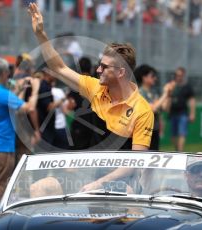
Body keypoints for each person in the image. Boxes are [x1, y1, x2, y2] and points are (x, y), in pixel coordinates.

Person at [28, 3, 153, 190]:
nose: (98, 70)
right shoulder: (95, 87)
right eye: (99, 65)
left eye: (104, 67)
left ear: (120, 73)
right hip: (87, 174)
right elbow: (59, 68)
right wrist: (41, 34)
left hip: (121, 181)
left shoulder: (142, 110)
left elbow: (134, 163)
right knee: (39, 188)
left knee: (122, 197)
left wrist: (98, 183)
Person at [0, 57, 40, 213]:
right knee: (0, 185)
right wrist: (36, 89)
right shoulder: (3, 94)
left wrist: (19, 89)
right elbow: (28, 107)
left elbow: (7, 104)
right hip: (2, 147)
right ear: (5, 73)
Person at [134, 64, 175, 150]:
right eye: (152, 76)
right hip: (144, 131)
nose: (155, 78)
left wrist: (169, 94)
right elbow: (152, 109)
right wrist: (164, 94)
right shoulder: (140, 92)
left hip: (155, 129)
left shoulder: (154, 92)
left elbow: (165, 108)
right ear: (144, 78)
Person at [169, 67, 196, 152]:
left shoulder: (187, 87)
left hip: (183, 113)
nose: (178, 77)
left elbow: (192, 100)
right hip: (172, 113)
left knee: (182, 134)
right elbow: (168, 97)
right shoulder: (172, 86)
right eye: (176, 75)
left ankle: (180, 151)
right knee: (173, 136)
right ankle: (177, 150)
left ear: (183, 75)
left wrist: (192, 113)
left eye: (180, 75)